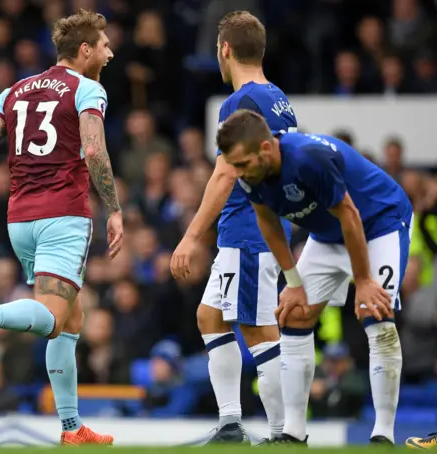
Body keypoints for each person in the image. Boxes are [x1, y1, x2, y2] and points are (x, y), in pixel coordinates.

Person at [0, 9, 123, 446]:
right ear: (84, 51)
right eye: (103, 45)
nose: (110, 52)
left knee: (71, 318)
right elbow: (94, 151)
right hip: (63, 215)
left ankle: (71, 427)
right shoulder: (87, 88)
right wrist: (115, 208)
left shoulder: (13, 91)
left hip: (19, 219)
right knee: (53, 316)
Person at [216, 110, 410, 446]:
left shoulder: (308, 159)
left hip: (379, 223)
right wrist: (293, 284)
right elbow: (268, 222)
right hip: (328, 234)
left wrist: (363, 280)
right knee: (293, 313)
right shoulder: (249, 173)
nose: (239, 173)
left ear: (266, 147)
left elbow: (350, 214)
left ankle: (383, 435)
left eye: (243, 163)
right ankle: (293, 433)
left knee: (376, 313)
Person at [170, 11, 294, 444]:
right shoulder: (276, 97)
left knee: (259, 330)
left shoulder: (238, 103)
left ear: (224, 50)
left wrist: (190, 236)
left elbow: (224, 175)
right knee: (211, 316)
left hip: (249, 230)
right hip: (257, 230)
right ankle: (230, 424)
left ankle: (285, 433)